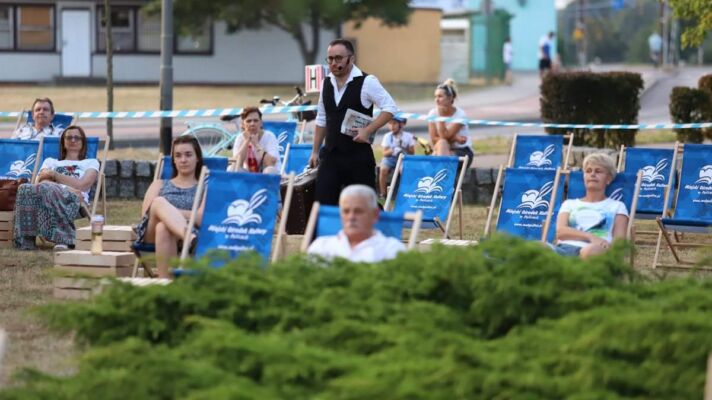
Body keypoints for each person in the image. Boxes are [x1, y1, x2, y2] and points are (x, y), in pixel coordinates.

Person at [308, 38, 398, 206]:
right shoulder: (326, 82)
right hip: (330, 155)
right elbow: (321, 118)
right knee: (323, 205)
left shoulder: (367, 81)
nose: (333, 63)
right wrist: (314, 151)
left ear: (351, 58)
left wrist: (368, 130)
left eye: (338, 58)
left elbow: (390, 108)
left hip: (358, 158)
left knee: (364, 206)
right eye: (330, 59)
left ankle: (379, 223)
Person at [13, 126, 99, 250]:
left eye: (77, 137)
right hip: (49, 196)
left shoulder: (91, 162)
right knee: (24, 188)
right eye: (69, 137)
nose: (73, 140)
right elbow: (39, 183)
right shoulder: (50, 162)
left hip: (76, 201)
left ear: (83, 142)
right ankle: (26, 241)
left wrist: (54, 175)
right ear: (63, 142)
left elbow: (82, 185)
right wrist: (67, 188)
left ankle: (64, 239)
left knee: (47, 188)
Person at [135, 136, 205, 279]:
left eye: (188, 155)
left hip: (185, 229)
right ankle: (191, 239)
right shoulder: (159, 184)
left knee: (163, 227)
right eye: (178, 156)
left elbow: (200, 218)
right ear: (173, 160)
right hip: (151, 234)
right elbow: (146, 216)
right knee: (158, 202)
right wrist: (170, 213)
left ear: (197, 158)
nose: (183, 160)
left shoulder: (205, 188)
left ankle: (166, 283)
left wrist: (169, 215)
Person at [553, 153, 629, 259]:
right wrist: (590, 237)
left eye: (598, 171)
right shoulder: (569, 203)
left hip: (596, 251)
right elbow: (561, 232)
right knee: (538, 246)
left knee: (590, 251)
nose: (592, 174)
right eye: (588, 171)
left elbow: (619, 243)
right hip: (563, 249)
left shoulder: (617, 206)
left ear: (608, 179)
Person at [308, 184, 406, 262]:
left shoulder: (392, 250)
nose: (351, 217)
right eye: (346, 211)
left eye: (358, 211)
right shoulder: (321, 246)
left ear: (375, 215)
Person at [428, 79, 474, 168]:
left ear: (450, 98)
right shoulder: (432, 113)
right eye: (435, 96)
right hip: (442, 149)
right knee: (442, 144)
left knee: (440, 148)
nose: (436, 100)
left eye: (440, 96)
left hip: (462, 151)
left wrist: (441, 117)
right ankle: (443, 173)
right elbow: (434, 140)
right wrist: (455, 138)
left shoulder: (460, 115)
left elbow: (444, 136)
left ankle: (441, 173)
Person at [231, 107, 280, 174]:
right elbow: (236, 163)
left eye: (255, 121)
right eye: (248, 121)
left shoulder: (269, 136)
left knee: (270, 170)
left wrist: (256, 144)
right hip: (249, 175)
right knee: (232, 168)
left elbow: (271, 163)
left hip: (267, 176)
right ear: (243, 124)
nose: (252, 124)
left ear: (261, 123)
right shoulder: (240, 138)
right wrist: (246, 141)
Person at [378, 115, 415, 198]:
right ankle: (383, 193)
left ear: (401, 125)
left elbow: (412, 152)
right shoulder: (387, 136)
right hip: (390, 158)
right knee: (383, 169)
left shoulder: (408, 136)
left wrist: (404, 147)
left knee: (403, 170)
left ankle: (405, 193)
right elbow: (384, 153)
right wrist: (393, 149)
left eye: (394, 123)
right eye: (390, 123)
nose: (392, 126)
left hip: (403, 158)